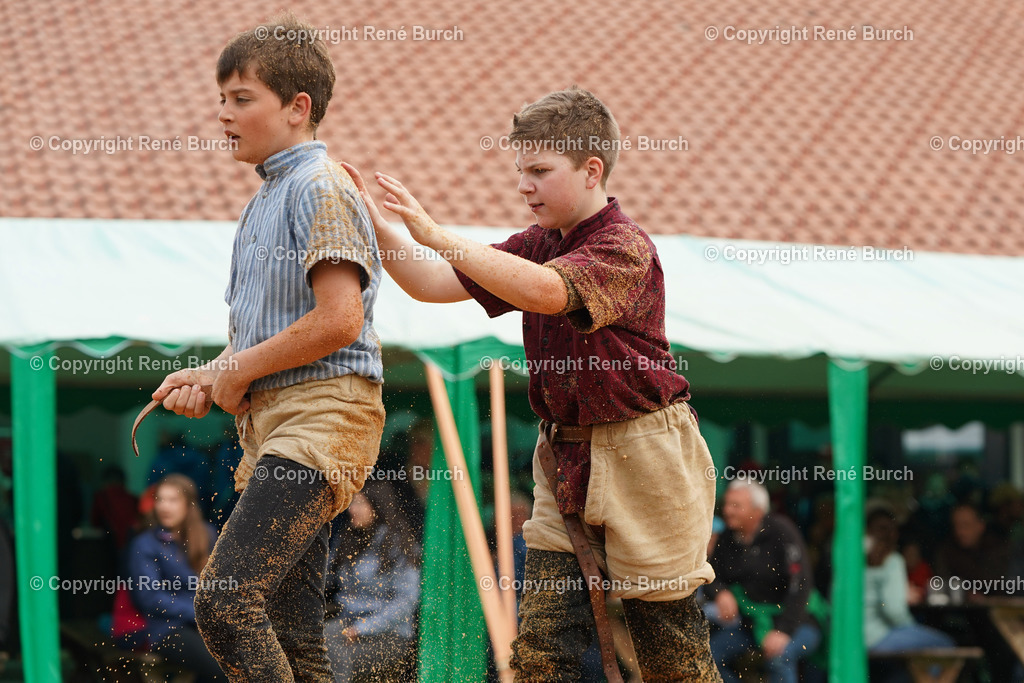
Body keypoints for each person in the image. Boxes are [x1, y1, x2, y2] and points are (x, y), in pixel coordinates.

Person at [344, 86, 721, 680]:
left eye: (540, 171)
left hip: (648, 457)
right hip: (566, 455)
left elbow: (548, 291)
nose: (524, 186)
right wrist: (377, 222)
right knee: (542, 648)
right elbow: (432, 283)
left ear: (591, 169)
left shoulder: (624, 245)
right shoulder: (536, 244)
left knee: (670, 656)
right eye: (520, 171)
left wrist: (438, 233)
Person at [149, 12, 386, 679]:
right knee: (293, 636)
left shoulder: (318, 185)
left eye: (241, 98)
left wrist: (238, 369)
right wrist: (217, 372)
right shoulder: (268, 197)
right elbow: (273, 340)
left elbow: (339, 320)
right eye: (221, 98)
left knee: (224, 602)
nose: (223, 113)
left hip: (322, 418)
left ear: (297, 107)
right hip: (280, 421)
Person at [706, 481, 825, 683]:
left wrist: (783, 631)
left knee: (779, 657)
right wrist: (720, 593)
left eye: (736, 506)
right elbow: (710, 575)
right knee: (708, 657)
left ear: (758, 511)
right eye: (726, 505)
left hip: (798, 622)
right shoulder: (726, 538)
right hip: (752, 625)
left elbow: (801, 584)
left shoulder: (782, 532)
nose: (727, 511)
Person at [126, 474, 225, 681]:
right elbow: (150, 598)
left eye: (172, 500)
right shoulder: (145, 543)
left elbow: (220, 583)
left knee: (251, 659)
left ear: (189, 505)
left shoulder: (206, 534)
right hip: (168, 629)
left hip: (207, 623)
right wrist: (198, 613)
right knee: (221, 669)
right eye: (160, 499)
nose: (164, 506)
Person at [324, 481, 420, 682]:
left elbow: (405, 602)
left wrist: (362, 628)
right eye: (351, 503)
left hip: (388, 636)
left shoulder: (398, 545)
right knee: (312, 643)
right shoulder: (348, 539)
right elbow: (329, 582)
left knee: (335, 657)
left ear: (377, 507)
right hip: (347, 625)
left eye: (360, 503)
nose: (352, 510)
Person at [863, 506, 954, 683]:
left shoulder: (851, 556)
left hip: (849, 637)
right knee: (945, 644)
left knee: (901, 666)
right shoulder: (892, 560)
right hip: (876, 636)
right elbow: (894, 610)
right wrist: (911, 627)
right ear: (895, 534)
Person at [90, 464, 139, 551]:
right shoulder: (133, 499)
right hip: (131, 542)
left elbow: (95, 522)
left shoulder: (101, 497)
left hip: (110, 543)